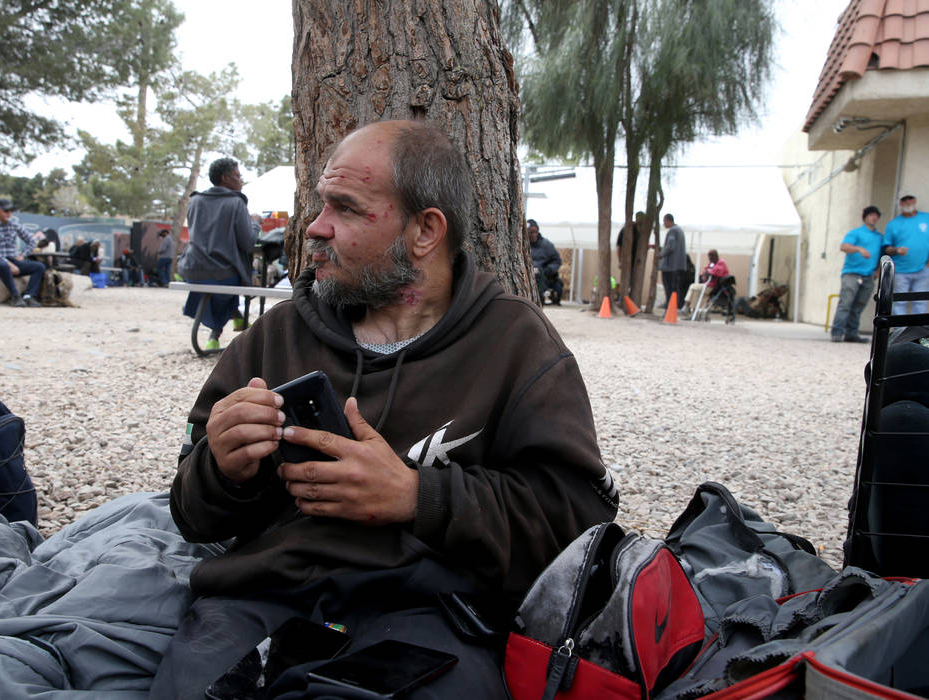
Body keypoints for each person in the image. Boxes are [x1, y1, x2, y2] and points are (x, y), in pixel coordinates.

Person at [153, 120, 619, 699]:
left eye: (345, 210)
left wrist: (416, 498)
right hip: (259, 599)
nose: (315, 228)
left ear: (425, 231)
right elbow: (191, 516)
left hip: (433, 611)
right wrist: (222, 468)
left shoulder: (517, 346)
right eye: (322, 205)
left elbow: (576, 527)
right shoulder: (275, 338)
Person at [178, 157, 257, 350]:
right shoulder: (236, 203)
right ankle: (237, 321)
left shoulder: (195, 201)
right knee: (235, 274)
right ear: (225, 178)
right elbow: (248, 243)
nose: (241, 181)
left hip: (192, 271)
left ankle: (219, 332)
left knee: (217, 279)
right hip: (223, 275)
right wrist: (255, 223)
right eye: (238, 176)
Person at [829, 206, 883, 343]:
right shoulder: (856, 233)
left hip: (869, 276)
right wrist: (859, 248)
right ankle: (837, 333)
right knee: (845, 303)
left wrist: (877, 272)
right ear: (865, 217)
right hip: (852, 274)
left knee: (859, 306)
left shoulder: (879, 237)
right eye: (871, 215)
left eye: (876, 215)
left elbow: (882, 255)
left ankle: (851, 334)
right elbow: (844, 247)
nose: (874, 217)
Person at [0, 198, 45, 307]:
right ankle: (15, 296)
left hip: (13, 260)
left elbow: (32, 241)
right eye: (6, 211)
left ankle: (29, 296)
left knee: (39, 267)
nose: (9, 213)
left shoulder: (14, 224)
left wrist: (23, 255)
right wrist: (10, 265)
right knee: (4, 266)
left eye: (10, 210)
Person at [883, 192, 929, 315]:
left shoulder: (926, 218)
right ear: (900, 203)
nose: (908, 202)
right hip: (900, 271)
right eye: (905, 199)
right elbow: (886, 248)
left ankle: (919, 333)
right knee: (899, 302)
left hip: (923, 269)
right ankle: (900, 332)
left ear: (915, 200)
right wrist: (896, 250)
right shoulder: (893, 224)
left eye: (910, 198)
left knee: (921, 302)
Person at [528, 219, 563, 305]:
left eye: (534, 232)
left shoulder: (547, 245)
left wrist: (548, 270)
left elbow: (557, 261)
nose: (533, 235)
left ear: (537, 232)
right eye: (530, 232)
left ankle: (539, 302)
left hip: (542, 277)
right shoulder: (520, 244)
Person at [659, 213, 686, 309]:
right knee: (675, 288)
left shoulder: (673, 231)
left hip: (670, 266)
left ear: (668, 221)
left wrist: (660, 255)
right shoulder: (679, 230)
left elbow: (670, 247)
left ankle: (670, 306)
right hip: (678, 265)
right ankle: (674, 306)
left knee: (669, 288)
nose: (664, 224)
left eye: (664, 221)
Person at [616, 211, 645, 299]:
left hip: (637, 263)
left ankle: (632, 301)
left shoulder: (642, 231)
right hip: (628, 261)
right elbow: (619, 246)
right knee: (626, 282)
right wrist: (620, 261)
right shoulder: (627, 229)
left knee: (634, 283)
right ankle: (622, 300)